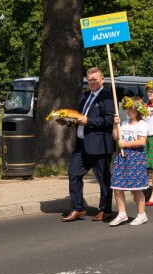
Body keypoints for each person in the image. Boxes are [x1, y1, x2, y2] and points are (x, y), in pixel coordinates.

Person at [61, 67, 115, 222]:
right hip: (81, 144)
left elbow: (110, 119)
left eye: (95, 79)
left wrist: (89, 121)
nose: (92, 82)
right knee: (74, 174)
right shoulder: (84, 97)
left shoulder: (108, 97)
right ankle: (78, 208)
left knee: (103, 179)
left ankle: (105, 210)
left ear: (102, 80)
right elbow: (78, 118)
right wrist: (67, 122)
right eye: (89, 79)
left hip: (99, 145)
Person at [109, 97, 149, 226]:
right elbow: (116, 137)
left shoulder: (142, 124)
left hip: (135, 157)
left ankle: (142, 214)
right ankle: (122, 214)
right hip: (122, 157)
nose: (128, 111)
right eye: (127, 109)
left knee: (136, 188)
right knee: (117, 185)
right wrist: (115, 125)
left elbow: (141, 142)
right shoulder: (124, 123)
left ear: (138, 111)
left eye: (131, 109)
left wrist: (125, 144)